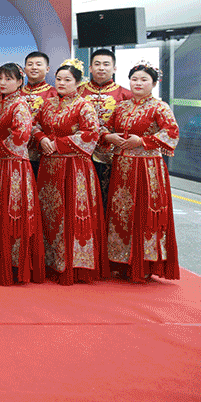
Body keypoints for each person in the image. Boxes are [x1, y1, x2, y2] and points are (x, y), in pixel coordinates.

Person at [101, 62, 180, 282]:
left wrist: (143, 141)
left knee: (145, 213)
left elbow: (172, 133)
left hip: (147, 169)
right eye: (134, 79)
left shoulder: (159, 107)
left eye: (144, 79)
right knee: (121, 213)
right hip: (121, 168)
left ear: (154, 83)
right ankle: (120, 260)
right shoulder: (122, 107)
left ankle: (144, 263)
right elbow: (105, 127)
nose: (138, 83)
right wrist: (108, 137)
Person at [34, 58, 108, 285]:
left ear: (78, 83)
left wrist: (57, 143)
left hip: (74, 168)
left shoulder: (83, 105)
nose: (62, 83)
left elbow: (90, 134)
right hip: (49, 168)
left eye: (67, 80)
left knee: (71, 215)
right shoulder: (47, 104)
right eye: (59, 79)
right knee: (50, 214)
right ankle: (50, 261)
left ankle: (73, 265)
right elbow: (35, 125)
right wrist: (41, 138)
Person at [0, 63, 44, 285]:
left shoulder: (20, 105)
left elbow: (21, 136)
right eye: (0, 78)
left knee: (12, 213)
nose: (2, 82)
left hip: (13, 166)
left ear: (19, 82)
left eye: (8, 79)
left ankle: (13, 265)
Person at [79, 48, 132, 211]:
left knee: (109, 198)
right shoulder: (78, 91)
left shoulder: (126, 95)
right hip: (81, 154)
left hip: (111, 156)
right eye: (97, 64)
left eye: (106, 64)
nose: (101, 68)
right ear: (90, 68)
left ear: (114, 68)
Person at [22, 50, 58, 171]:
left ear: (47, 69)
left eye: (38, 64)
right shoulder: (17, 93)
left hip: (44, 151)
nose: (34, 67)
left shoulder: (54, 94)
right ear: (24, 69)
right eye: (30, 64)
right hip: (18, 152)